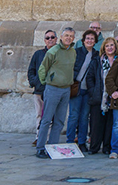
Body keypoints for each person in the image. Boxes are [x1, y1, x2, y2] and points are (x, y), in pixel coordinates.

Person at [35, 27, 76, 158]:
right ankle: (40, 148)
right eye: (66, 35)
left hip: (66, 89)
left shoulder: (73, 52)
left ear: (73, 38)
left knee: (59, 121)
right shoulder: (53, 52)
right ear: (61, 38)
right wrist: (46, 83)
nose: (68, 38)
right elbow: (43, 68)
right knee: (46, 119)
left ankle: (52, 147)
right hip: (53, 88)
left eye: (71, 36)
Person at [67, 29, 98, 151]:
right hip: (76, 88)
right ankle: (70, 141)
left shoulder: (96, 54)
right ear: (83, 40)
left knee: (85, 117)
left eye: (92, 38)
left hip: (88, 90)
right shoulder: (77, 52)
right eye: (88, 38)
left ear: (95, 41)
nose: (90, 40)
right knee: (74, 116)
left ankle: (82, 141)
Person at [86, 37, 117, 155]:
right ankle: (94, 147)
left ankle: (107, 147)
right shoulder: (97, 61)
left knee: (110, 124)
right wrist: (93, 91)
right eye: (107, 45)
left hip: (113, 97)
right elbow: (90, 77)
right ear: (104, 47)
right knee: (96, 124)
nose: (110, 48)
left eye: (112, 45)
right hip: (98, 97)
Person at [27, 29, 56, 145]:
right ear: (44, 40)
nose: (50, 40)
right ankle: (39, 136)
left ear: (56, 39)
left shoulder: (60, 53)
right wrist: (35, 82)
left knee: (52, 116)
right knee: (39, 114)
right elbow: (31, 70)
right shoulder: (38, 54)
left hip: (54, 89)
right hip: (40, 89)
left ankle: (49, 138)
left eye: (52, 37)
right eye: (48, 38)